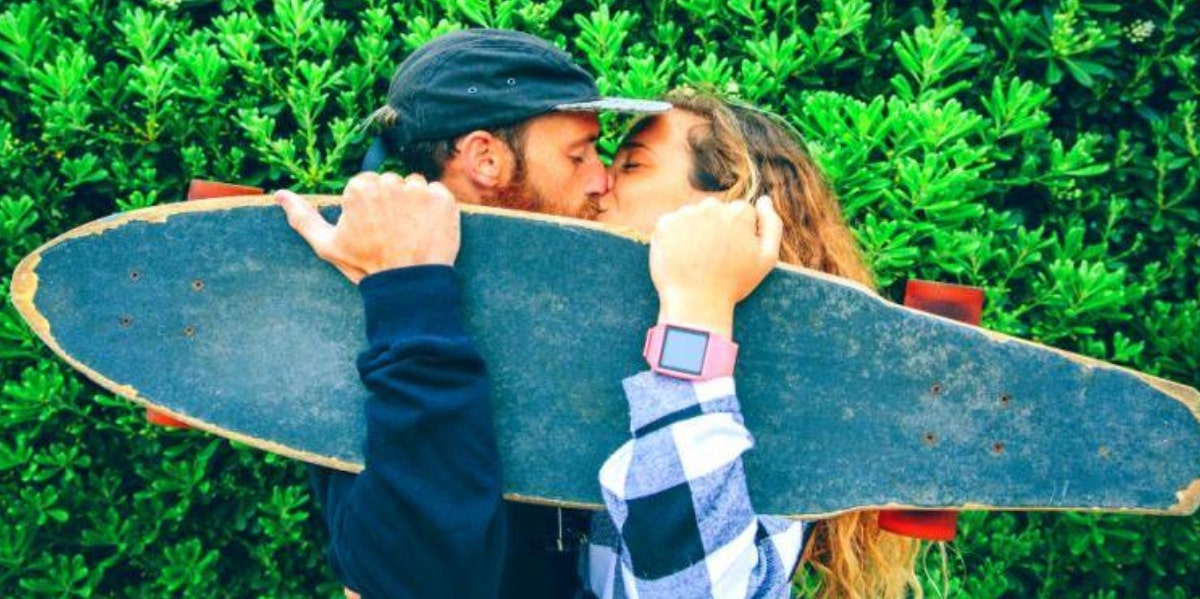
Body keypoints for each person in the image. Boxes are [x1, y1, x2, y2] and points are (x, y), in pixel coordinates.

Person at [276, 28, 668, 599]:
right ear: (485, 157)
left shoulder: (568, 295)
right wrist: (410, 294)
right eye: (578, 154)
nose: (600, 176)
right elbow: (423, 582)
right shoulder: (369, 312)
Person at [581, 90, 924, 598]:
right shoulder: (604, 349)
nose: (599, 183)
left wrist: (696, 313)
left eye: (632, 166)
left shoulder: (776, 390)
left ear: (725, 209)